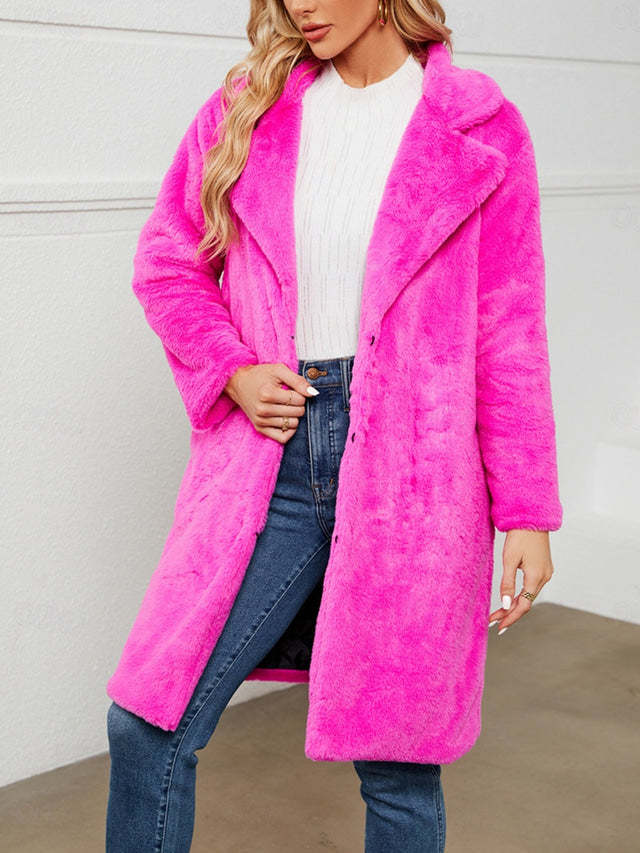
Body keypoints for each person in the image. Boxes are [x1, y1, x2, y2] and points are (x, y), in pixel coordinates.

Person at [105, 2, 563, 851]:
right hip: (269, 457)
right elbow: (168, 263)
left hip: (413, 475)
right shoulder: (246, 110)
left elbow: (509, 330)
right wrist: (231, 368)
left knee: (398, 763)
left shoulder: (482, 128)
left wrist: (527, 511)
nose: (301, 7)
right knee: (148, 722)